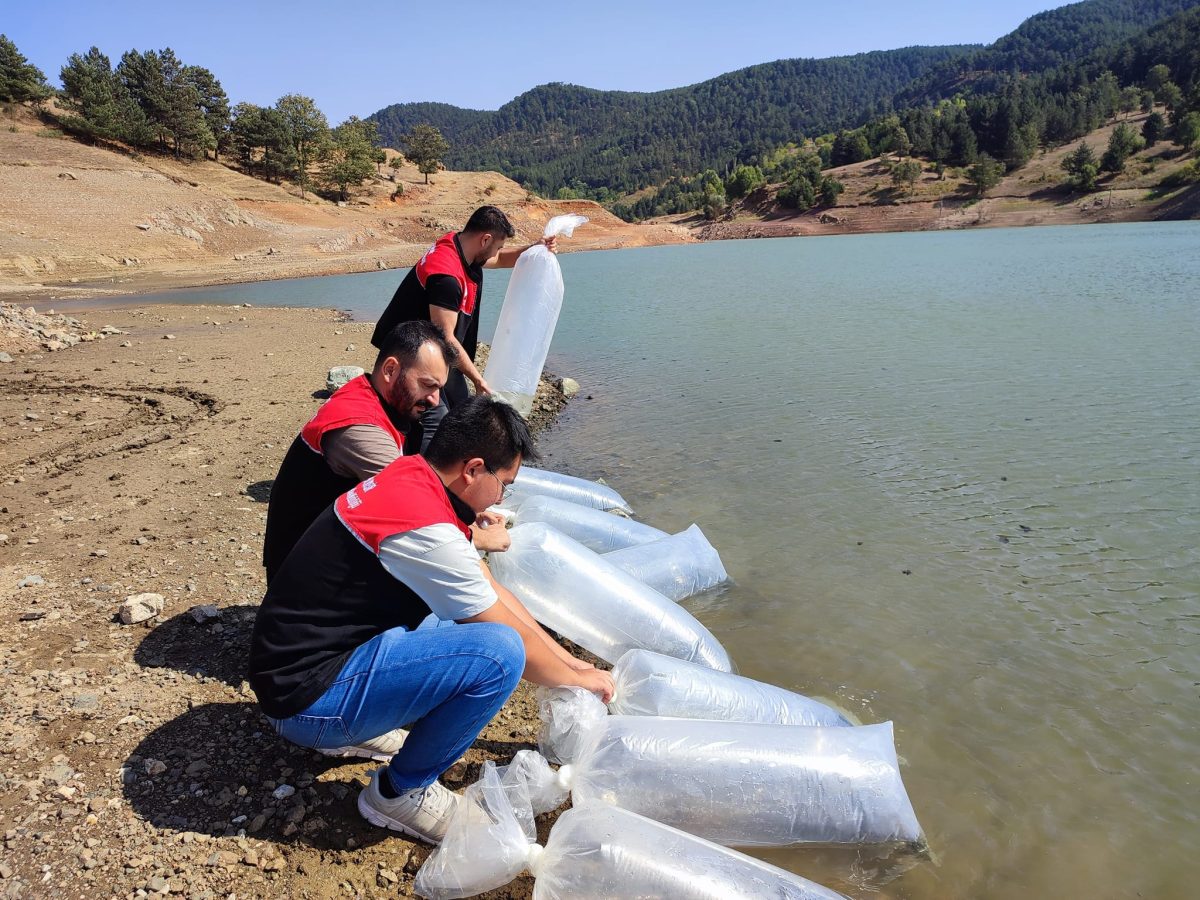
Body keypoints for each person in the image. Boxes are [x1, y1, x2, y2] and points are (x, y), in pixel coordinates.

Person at [247, 396, 613, 844]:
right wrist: (575, 681)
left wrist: (576, 668)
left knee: (458, 626)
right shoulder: (427, 529)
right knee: (499, 656)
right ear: (473, 469)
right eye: (504, 485)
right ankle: (399, 793)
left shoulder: (411, 475)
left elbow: (495, 594)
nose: (501, 498)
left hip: (296, 668)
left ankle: (353, 728)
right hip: (303, 700)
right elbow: (506, 631)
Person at [261, 321, 457, 583]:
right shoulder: (361, 427)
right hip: (302, 577)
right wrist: (473, 532)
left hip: (318, 554)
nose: (434, 399)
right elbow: (414, 507)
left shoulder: (372, 396)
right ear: (390, 369)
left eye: (439, 388)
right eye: (427, 385)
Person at [370, 205, 556, 452]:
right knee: (436, 422)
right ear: (485, 239)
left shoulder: (460, 246)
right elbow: (446, 337)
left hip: (438, 353)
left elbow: (499, 259)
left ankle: (449, 471)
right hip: (411, 356)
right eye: (497, 245)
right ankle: (422, 478)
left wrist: (535, 248)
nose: (498, 252)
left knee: (461, 414)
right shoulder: (446, 276)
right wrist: (478, 379)